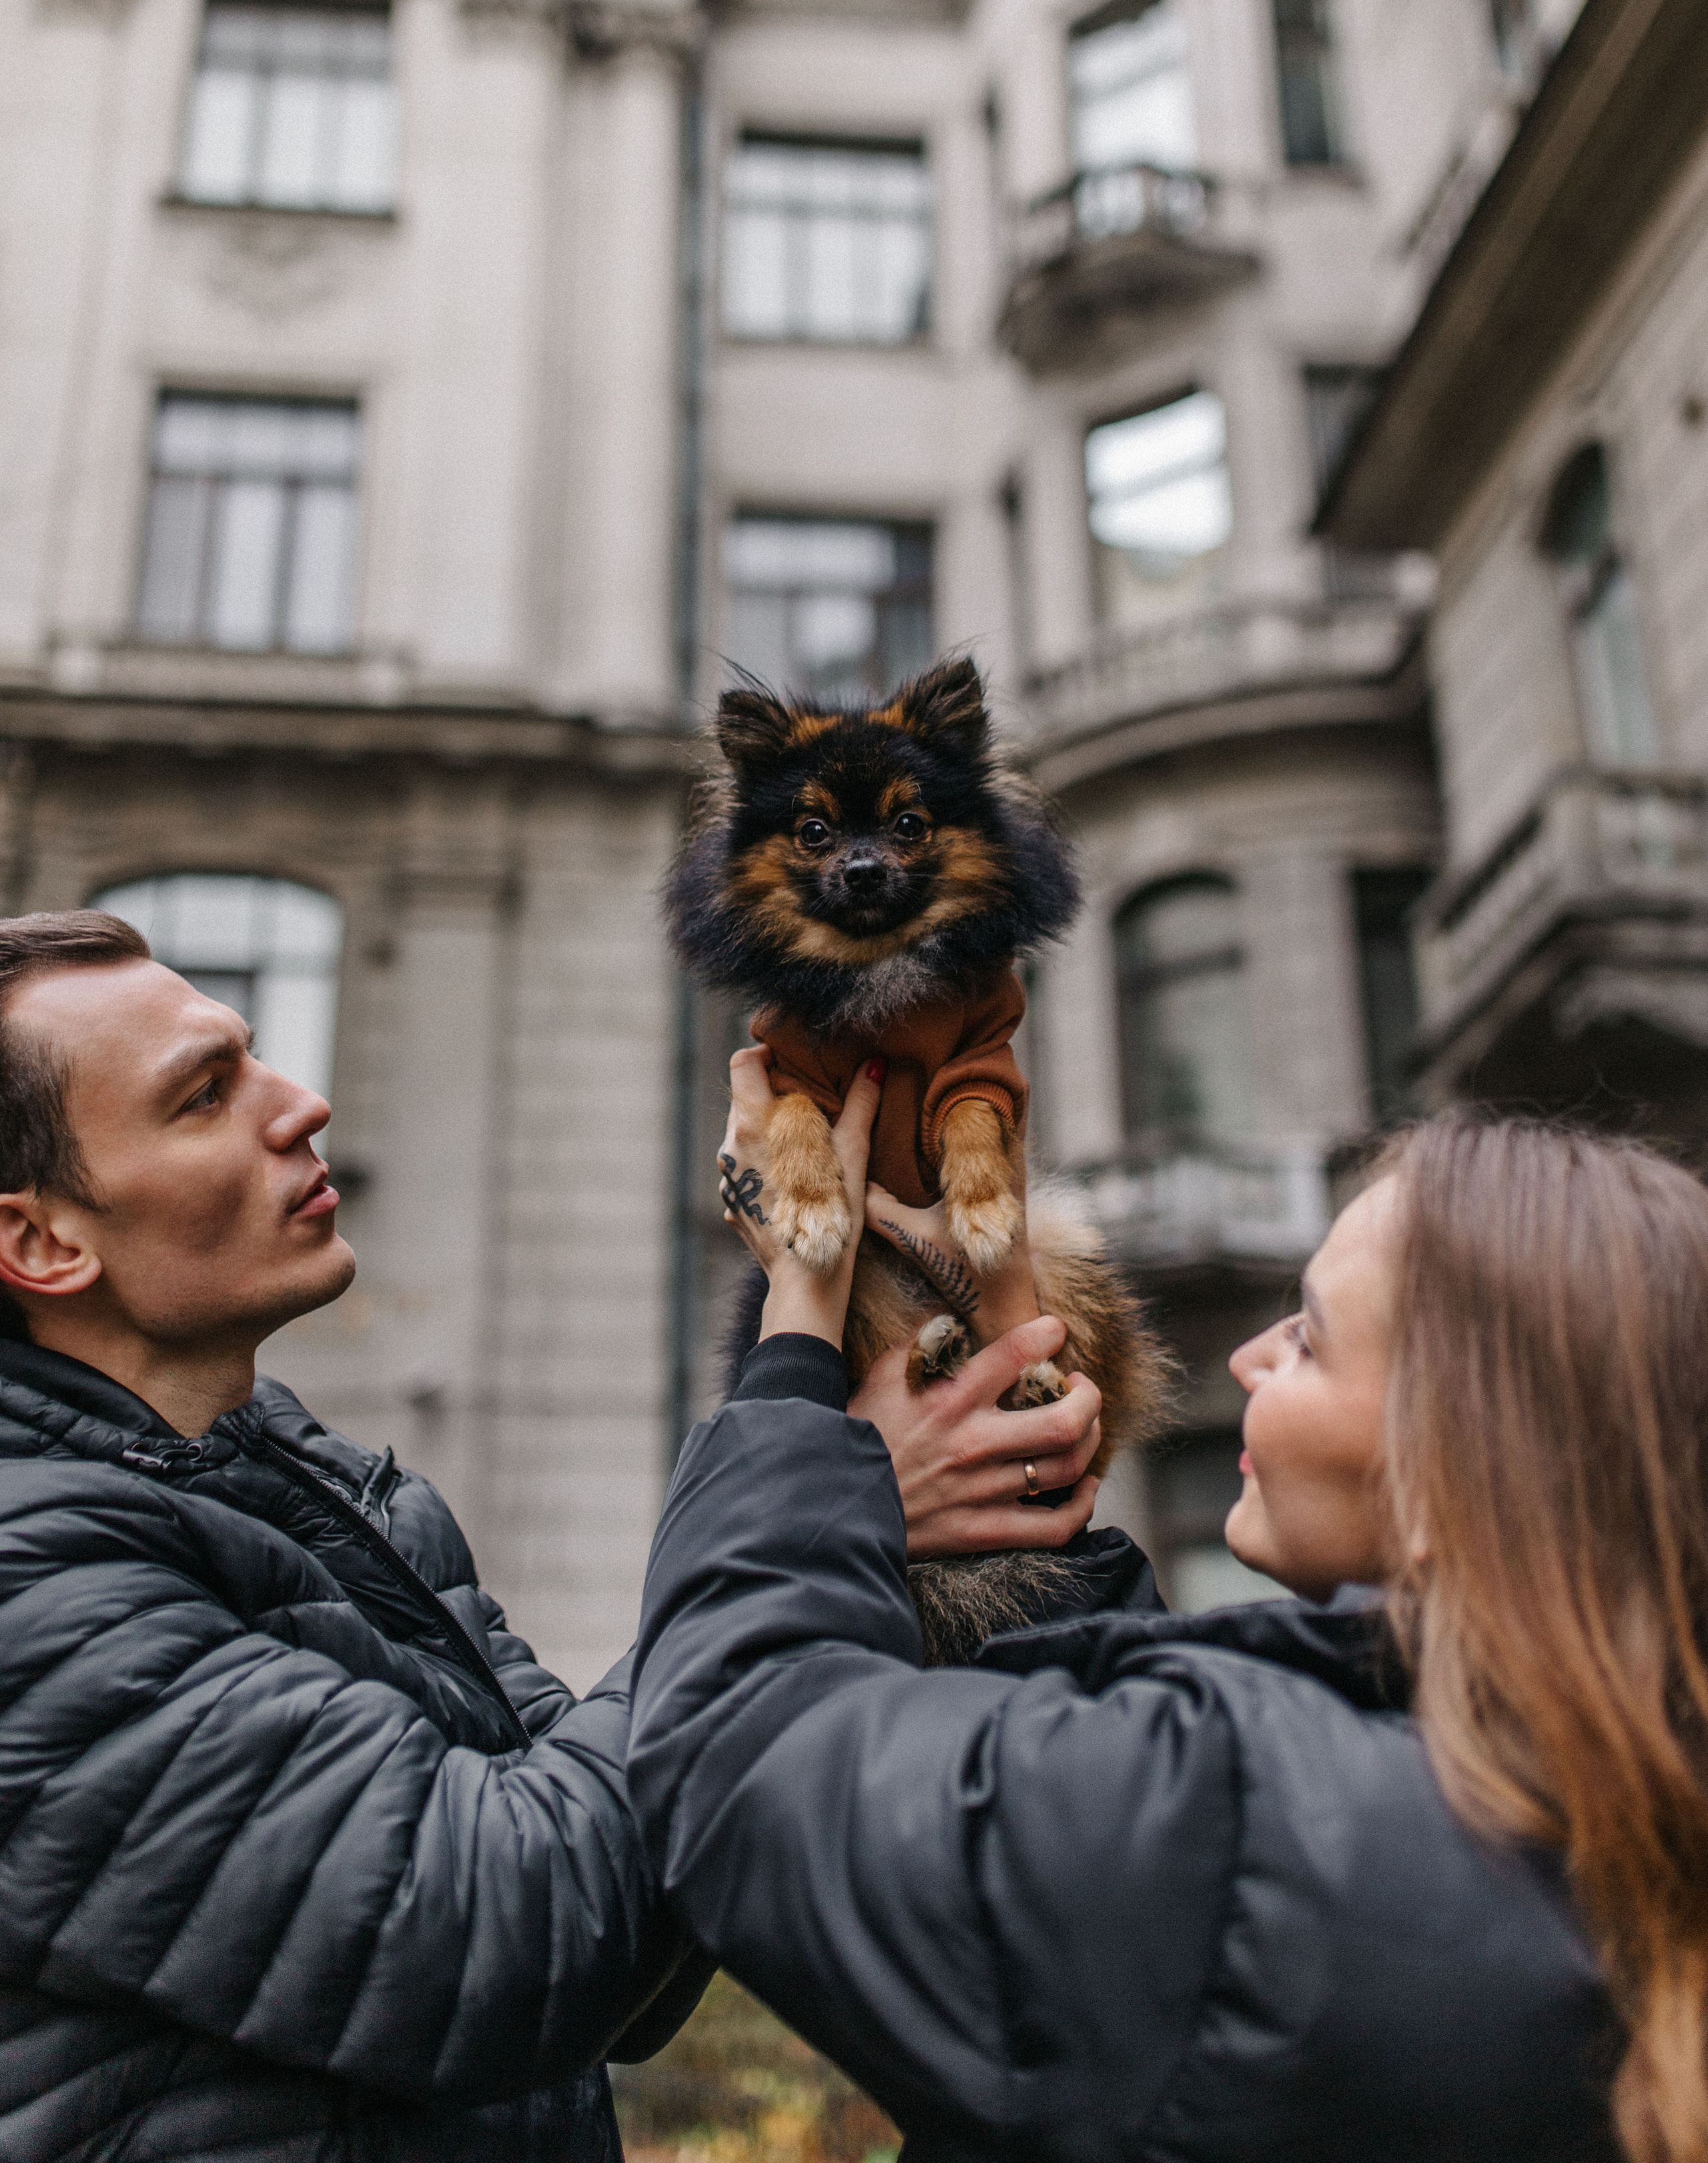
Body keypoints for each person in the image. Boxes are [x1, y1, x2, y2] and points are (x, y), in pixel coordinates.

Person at [0, 913, 1096, 2163]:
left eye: (253, 1057)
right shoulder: (29, 1586)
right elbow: (509, 1937)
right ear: (40, 1242)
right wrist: (806, 1347)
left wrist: (947, 1346)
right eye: (203, 1097)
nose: (301, 1103)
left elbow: (645, 1920)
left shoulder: (336, 1493)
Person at [631, 1051, 1708, 2162]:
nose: (1249, 1357)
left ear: (1457, 1472)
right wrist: (1014, 1414)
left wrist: (800, 1330)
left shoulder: (1244, 1827)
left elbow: (736, 1753)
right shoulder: (1571, 1798)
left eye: (1311, 1336)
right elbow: (1089, 1748)